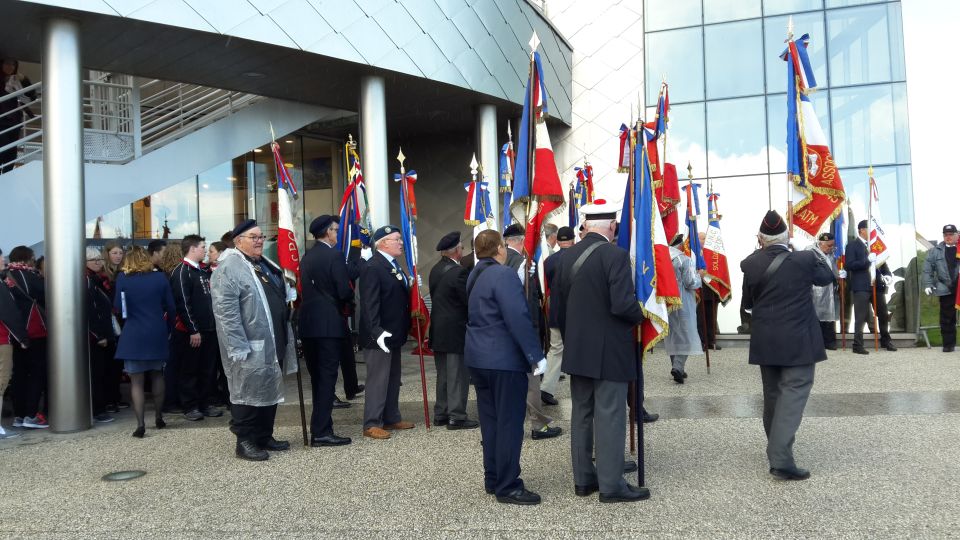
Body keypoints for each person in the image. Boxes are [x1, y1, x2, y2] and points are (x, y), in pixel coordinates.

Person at [556, 201, 648, 503]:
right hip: (609, 351)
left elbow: (556, 312)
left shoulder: (565, 257)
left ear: (587, 225)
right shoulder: (615, 255)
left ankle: (584, 479)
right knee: (609, 415)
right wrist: (642, 315)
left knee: (582, 414)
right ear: (611, 226)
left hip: (578, 350)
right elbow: (622, 304)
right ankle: (611, 485)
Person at [740, 210, 834, 480]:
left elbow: (747, 302)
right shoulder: (804, 258)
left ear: (760, 239)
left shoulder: (750, 263)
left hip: (766, 338)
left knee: (773, 395)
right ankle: (780, 458)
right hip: (798, 339)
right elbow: (827, 278)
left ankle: (777, 448)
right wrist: (811, 251)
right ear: (786, 237)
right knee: (793, 393)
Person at [466, 229, 547, 505]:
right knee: (510, 424)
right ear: (500, 248)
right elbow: (518, 317)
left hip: (479, 359)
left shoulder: (475, 275)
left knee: (491, 423)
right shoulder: (503, 274)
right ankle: (509, 485)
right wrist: (535, 354)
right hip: (503, 361)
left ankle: (494, 477)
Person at [211, 219, 297, 461]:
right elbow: (226, 312)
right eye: (254, 237)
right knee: (247, 391)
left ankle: (264, 435)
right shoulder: (229, 267)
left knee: (269, 387)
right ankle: (245, 440)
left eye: (261, 236)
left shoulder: (263, 264)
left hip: (273, 339)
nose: (259, 240)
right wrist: (236, 344)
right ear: (239, 241)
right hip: (249, 344)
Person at [298, 215, 353, 447]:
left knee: (318, 378)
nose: (337, 234)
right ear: (327, 232)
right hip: (329, 324)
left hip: (309, 325)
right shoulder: (334, 254)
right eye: (335, 230)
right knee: (327, 379)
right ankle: (321, 431)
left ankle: (320, 427)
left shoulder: (307, 257)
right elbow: (343, 290)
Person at [503, 224, 561, 439]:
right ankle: (538, 424)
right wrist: (534, 333)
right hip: (524, 329)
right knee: (532, 380)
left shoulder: (497, 261)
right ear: (520, 240)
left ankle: (511, 423)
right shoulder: (521, 263)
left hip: (505, 332)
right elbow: (526, 302)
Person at [113, 246, 176, 438]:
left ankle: (140, 424)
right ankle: (158, 417)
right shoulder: (159, 278)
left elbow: (117, 306)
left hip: (133, 334)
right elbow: (171, 307)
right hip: (156, 331)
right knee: (157, 375)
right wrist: (169, 328)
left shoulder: (123, 279)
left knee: (136, 382)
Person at [358, 225, 414, 440]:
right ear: (383, 243)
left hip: (393, 332)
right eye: (396, 239)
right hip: (379, 336)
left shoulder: (391, 264)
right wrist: (377, 331)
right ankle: (372, 422)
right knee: (378, 379)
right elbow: (369, 304)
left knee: (392, 377)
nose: (401, 242)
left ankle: (391, 416)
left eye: (400, 239)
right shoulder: (374, 266)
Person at [427, 231, 479, 430]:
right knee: (457, 375)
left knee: (444, 375)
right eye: (462, 248)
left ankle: (441, 413)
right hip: (455, 331)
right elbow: (467, 301)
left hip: (439, 330)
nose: (463, 250)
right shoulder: (459, 272)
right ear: (456, 250)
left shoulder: (435, 269)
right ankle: (456, 415)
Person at [170, 235, 222, 422]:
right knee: (190, 370)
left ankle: (206, 402)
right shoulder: (182, 271)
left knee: (208, 369)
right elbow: (183, 303)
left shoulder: (202, 271)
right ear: (192, 249)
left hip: (209, 328)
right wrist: (193, 330)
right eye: (202, 247)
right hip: (192, 332)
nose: (205, 250)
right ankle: (190, 405)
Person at [6, 245, 48, 429]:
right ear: (27, 259)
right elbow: (47, 295)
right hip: (34, 331)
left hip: (13, 333)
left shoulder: (5, 276)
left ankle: (19, 415)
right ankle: (31, 415)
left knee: (18, 374)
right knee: (36, 373)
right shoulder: (30, 276)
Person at [844, 220, 896, 354]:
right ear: (861, 230)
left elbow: (882, 263)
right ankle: (857, 345)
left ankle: (886, 340)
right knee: (860, 316)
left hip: (877, 285)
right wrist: (867, 261)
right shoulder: (852, 246)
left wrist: (887, 274)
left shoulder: (874, 244)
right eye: (869, 229)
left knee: (883, 314)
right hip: (861, 285)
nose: (872, 232)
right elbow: (849, 265)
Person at [541, 226, 575, 403]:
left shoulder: (550, 261)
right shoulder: (578, 256)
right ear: (573, 239)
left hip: (555, 311)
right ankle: (581, 389)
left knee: (555, 350)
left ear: (559, 240)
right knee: (579, 349)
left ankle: (546, 388)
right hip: (575, 312)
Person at [665, 235, 703, 383]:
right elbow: (690, 282)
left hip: (667, 302)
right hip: (683, 302)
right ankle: (678, 367)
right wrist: (699, 276)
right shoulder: (684, 260)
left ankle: (676, 365)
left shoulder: (661, 259)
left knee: (673, 334)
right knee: (686, 334)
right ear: (681, 246)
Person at [85, 247, 117, 424]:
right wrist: (99, 335)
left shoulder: (98, 279)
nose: (98, 262)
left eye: (99, 259)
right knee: (97, 373)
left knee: (103, 371)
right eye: (93, 260)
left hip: (103, 332)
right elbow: (89, 312)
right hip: (96, 336)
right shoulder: (88, 281)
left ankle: (100, 406)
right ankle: (98, 409)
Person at [0, 266, 28, 439]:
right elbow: (9, 313)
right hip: (2, 340)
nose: (3, 260)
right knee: (1, 385)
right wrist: (23, 337)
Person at [922, 224, 959, 352]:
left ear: (957, 235)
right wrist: (928, 284)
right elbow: (927, 269)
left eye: (951, 234)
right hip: (945, 288)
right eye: (945, 235)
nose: (948, 237)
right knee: (947, 318)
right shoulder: (935, 251)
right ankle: (948, 345)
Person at [101, 239, 127, 412]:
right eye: (114, 253)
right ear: (107, 254)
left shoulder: (124, 272)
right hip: (109, 321)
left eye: (120, 253)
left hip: (122, 321)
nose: (118, 256)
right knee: (107, 362)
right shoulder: (104, 274)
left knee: (117, 363)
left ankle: (115, 396)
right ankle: (108, 398)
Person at [1, 58, 37, 173]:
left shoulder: (18, 80)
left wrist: (24, 80)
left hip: (14, 120)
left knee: (11, 151)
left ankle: (7, 175)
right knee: (3, 147)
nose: (10, 67)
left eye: (13, 64)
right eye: (7, 63)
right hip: (1, 120)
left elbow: (30, 97)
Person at [809, 233, 841, 350]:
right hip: (816, 290)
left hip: (831, 289)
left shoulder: (832, 254)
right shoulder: (810, 252)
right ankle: (817, 343)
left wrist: (839, 274)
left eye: (832, 245)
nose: (831, 248)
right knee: (817, 317)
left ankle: (830, 342)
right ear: (820, 243)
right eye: (828, 245)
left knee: (829, 317)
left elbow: (834, 269)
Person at [696, 231, 721, 351]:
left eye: (705, 238)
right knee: (701, 317)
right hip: (700, 289)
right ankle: (702, 341)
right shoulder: (694, 253)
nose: (704, 240)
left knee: (712, 316)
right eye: (702, 238)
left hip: (712, 290)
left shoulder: (713, 254)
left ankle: (712, 340)